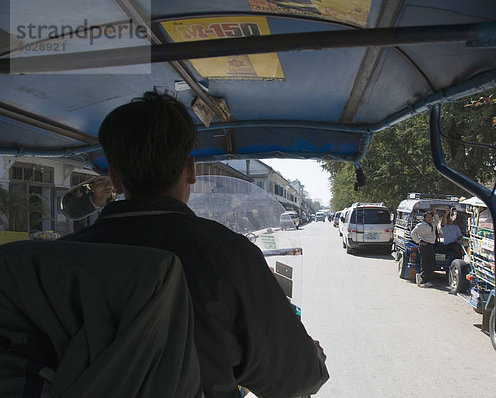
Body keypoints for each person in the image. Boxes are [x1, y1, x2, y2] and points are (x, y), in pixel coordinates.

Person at [61, 91, 329, 398]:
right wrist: (314, 358)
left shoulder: (61, 260)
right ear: (190, 170)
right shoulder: (229, 255)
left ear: (115, 179)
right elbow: (296, 379)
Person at [410, 210, 437, 288]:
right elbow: (413, 233)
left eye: (431, 217)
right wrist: (419, 241)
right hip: (425, 245)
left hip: (431, 245)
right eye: (428, 217)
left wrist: (435, 214)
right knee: (425, 263)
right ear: (424, 218)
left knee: (432, 264)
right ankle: (423, 279)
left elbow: (437, 221)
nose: (429, 218)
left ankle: (423, 277)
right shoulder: (421, 225)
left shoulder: (433, 224)